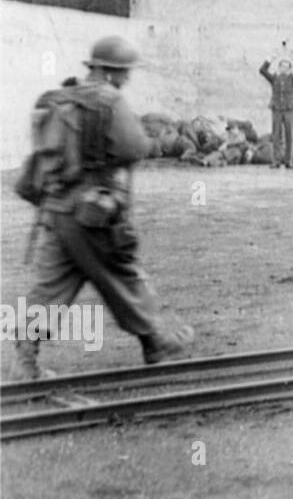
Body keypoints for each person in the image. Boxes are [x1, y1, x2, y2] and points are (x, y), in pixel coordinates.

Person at [15, 36, 193, 379]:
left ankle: (24, 362)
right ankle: (156, 342)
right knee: (123, 273)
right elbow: (134, 148)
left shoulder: (61, 99)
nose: (126, 79)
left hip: (55, 212)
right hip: (94, 214)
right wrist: (156, 140)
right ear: (112, 72)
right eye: (124, 73)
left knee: (48, 287)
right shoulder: (110, 102)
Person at [260, 49, 293, 168]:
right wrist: (270, 58)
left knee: (289, 136)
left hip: (289, 109)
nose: (284, 69)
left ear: (290, 69)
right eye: (282, 66)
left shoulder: (292, 79)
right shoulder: (273, 78)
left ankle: (289, 161)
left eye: (287, 67)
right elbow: (262, 70)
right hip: (276, 109)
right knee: (276, 135)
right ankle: (276, 161)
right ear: (278, 67)